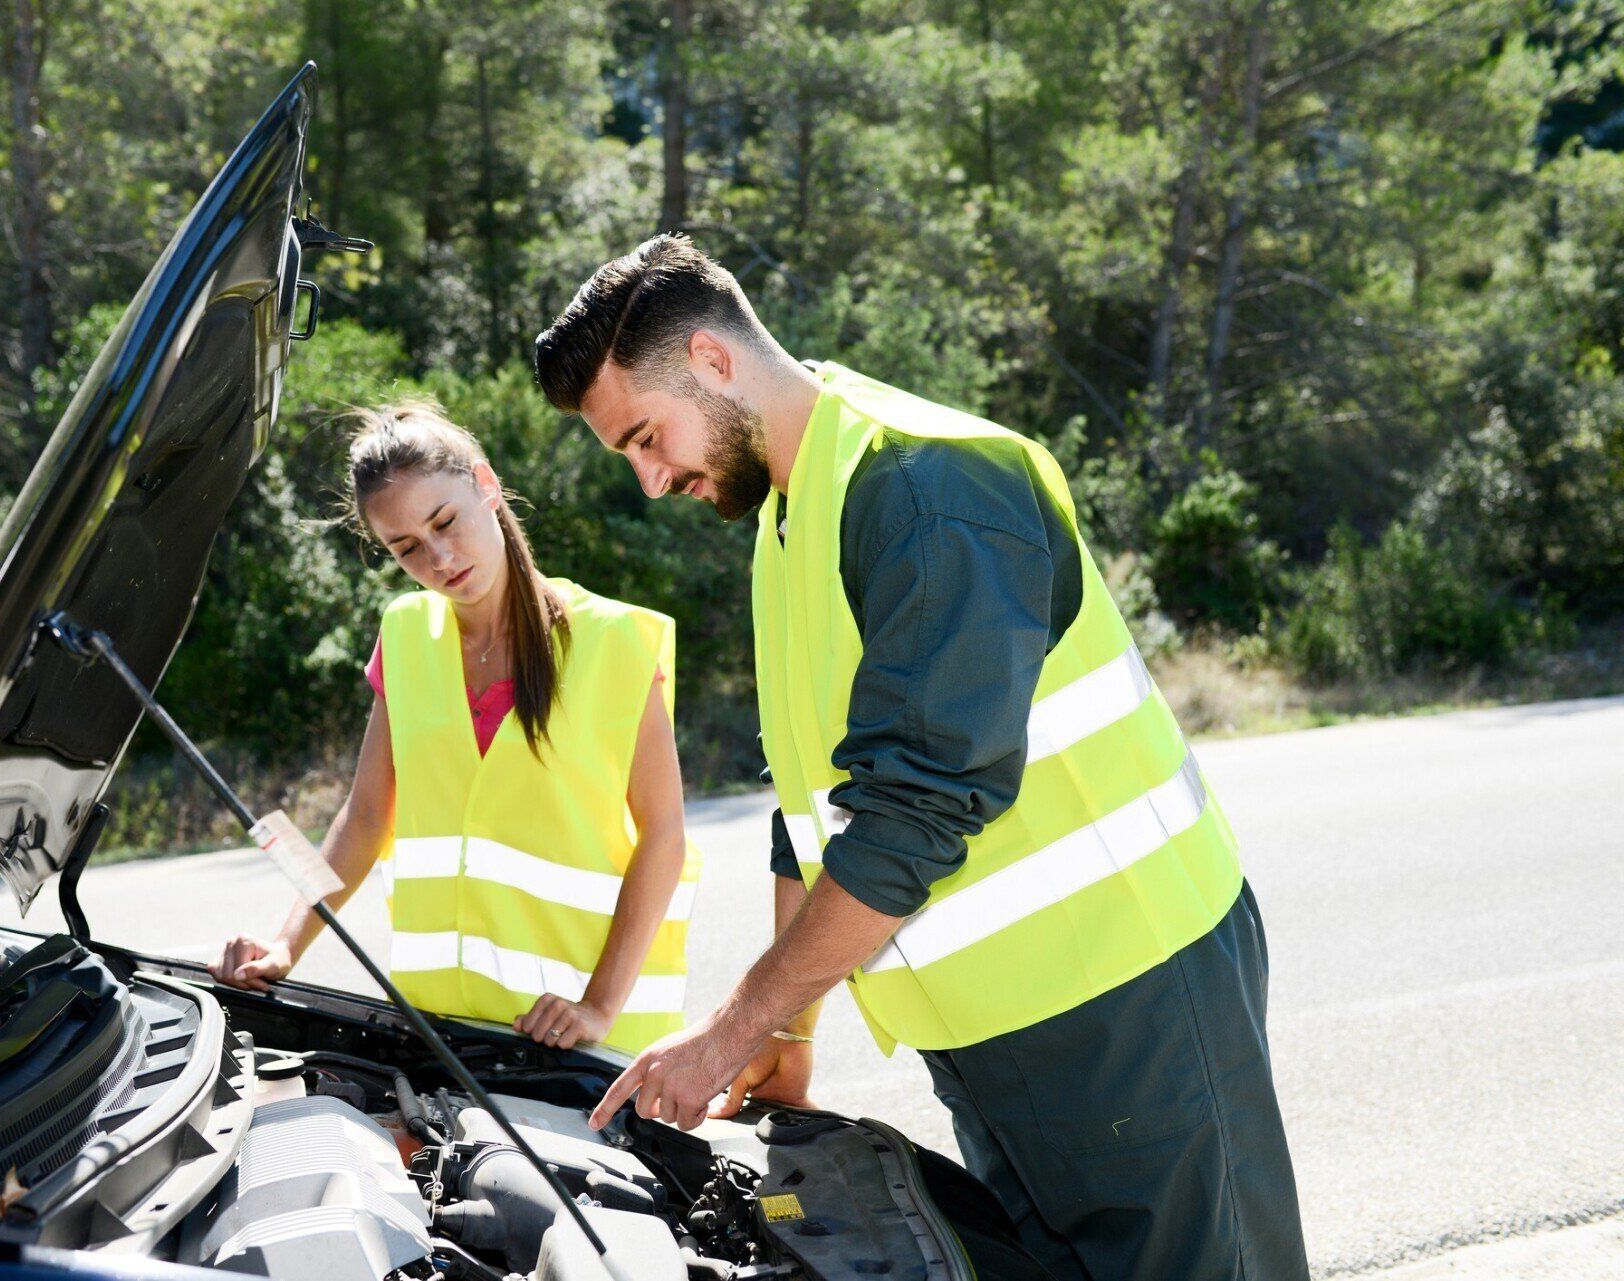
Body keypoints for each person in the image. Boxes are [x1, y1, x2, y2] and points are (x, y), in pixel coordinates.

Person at [531, 236, 1308, 1279]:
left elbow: (913, 815)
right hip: (1001, 1033)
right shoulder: (793, 512)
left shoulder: (928, 489)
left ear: (713, 361)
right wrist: (788, 1031)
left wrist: (731, 1028)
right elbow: (811, 811)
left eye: (644, 437)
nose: (650, 478)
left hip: (1130, 1005)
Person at [209, 400, 700, 1056]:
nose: (438, 557)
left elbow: (665, 834)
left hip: (586, 1048)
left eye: (445, 521)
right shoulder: (405, 636)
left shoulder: (611, 640)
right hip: (442, 1037)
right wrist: (285, 941)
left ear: (486, 485)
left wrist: (598, 1004)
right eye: (406, 547)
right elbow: (364, 818)